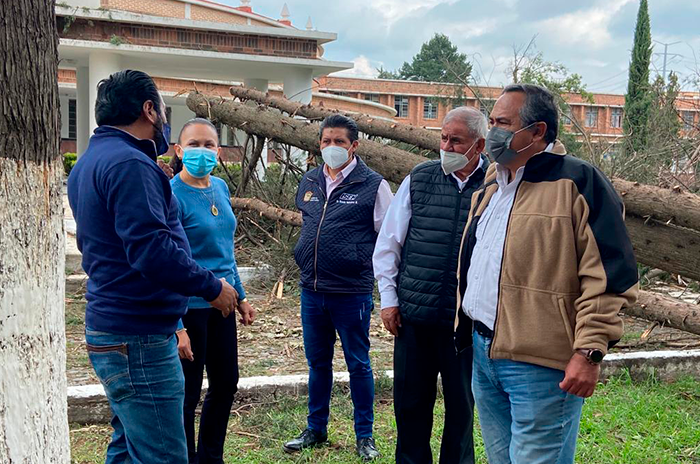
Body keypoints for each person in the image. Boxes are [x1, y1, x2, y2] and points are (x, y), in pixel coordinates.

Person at [454, 83, 639, 464]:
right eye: (491, 122)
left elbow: (608, 277)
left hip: (541, 366)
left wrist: (589, 353)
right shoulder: (491, 184)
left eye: (503, 123)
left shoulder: (578, 183)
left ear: (537, 131)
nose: (492, 133)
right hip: (485, 355)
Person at [67, 70, 238, 464]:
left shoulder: (90, 161)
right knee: (163, 454)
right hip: (139, 335)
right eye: (162, 110)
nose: (163, 118)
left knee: (127, 446)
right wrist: (212, 287)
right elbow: (152, 250)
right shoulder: (131, 164)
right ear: (149, 109)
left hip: (114, 328)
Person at [373, 107, 488, 464]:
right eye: (443, 138)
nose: (447, 146)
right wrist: (389, 301)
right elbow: (388, 245)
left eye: (457, 140)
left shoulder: (496, 186)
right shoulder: (419, 178)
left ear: (479, 145)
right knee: (410, 407)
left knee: (462, 411)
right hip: (415, 320)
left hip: (464, 326)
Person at [283, 114, 393, 461]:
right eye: (326, 141)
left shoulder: (373, 185)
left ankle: (365, 436)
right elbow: (309, 226)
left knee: (359, 364)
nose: (332, 147)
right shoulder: (310, 181)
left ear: (354, 146)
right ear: (319, 144)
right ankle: (316, 428)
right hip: (312, 290)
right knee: (318, 364)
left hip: (351, 293)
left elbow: (388, 239)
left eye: (339, 142)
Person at [168, 118, 256, 464]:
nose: (201, 151)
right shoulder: (172, 194)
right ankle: (185, 458)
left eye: (208, 145)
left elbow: (226, 251)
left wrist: (242, 296)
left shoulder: (219, 187)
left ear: (218, 152)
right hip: (188, 307)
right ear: (179, 150)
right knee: (187, 394)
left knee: (226, 383)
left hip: (223, 306)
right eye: (193, 144)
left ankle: (210, 457)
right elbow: (169, 262)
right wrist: (176, 327)